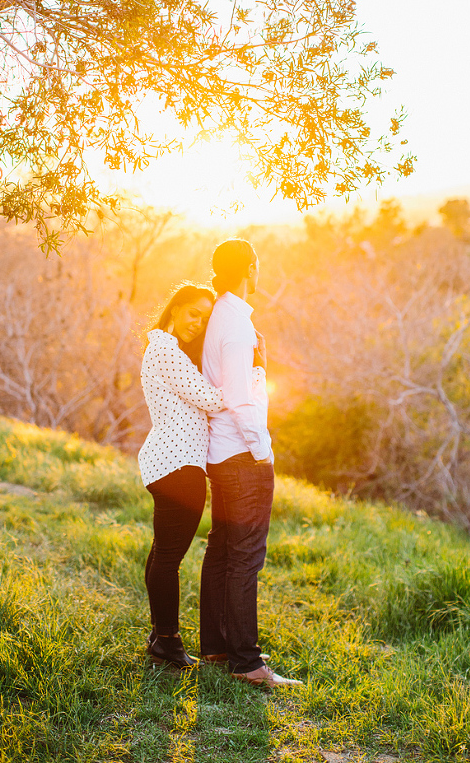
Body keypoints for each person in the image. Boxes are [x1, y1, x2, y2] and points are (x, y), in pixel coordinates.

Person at [198, 238, 301, 687]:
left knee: (222, 549)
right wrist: (263, 451)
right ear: (251, 268)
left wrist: (260, 362)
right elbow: (240, 401)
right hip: (242, 456)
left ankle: (219, 647)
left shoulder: (225, 315)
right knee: (245, 557)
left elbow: (236, 384)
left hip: (222, 453)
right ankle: (247, 663)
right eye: (258, 268)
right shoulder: (236, 324)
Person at [137, 283, 224, 669]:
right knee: (168, 559)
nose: (197, 324)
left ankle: (160, 634)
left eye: (204, 320)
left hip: (173, 463)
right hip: (177, 466)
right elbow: (212, 399)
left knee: (162, 554)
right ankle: (168, 641)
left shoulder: (166, 349)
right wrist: (253, 369)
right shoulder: (164, 349)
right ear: (175, 308)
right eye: (194, 314)